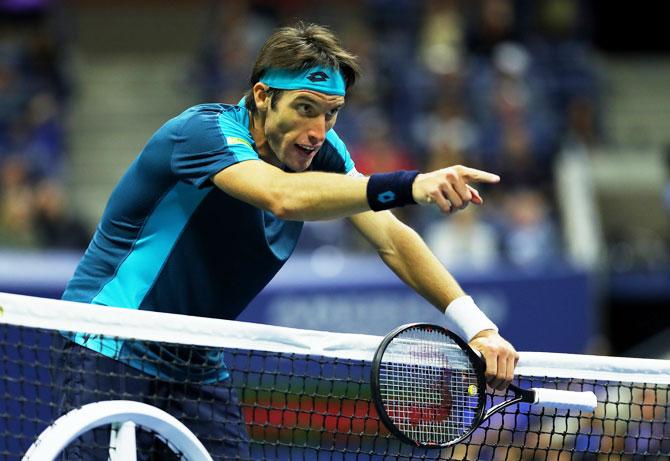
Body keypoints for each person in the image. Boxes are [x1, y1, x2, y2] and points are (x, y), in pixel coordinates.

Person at [56, 23, 519, 460]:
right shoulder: (201, 133)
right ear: (263, 97)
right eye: (305, 108)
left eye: (331, 113)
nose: (318, 131)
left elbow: (393, 239)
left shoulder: (325, 154)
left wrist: (478, 326)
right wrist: (409, 184)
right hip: (112, 342)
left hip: (194, 359)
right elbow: (281, 197)